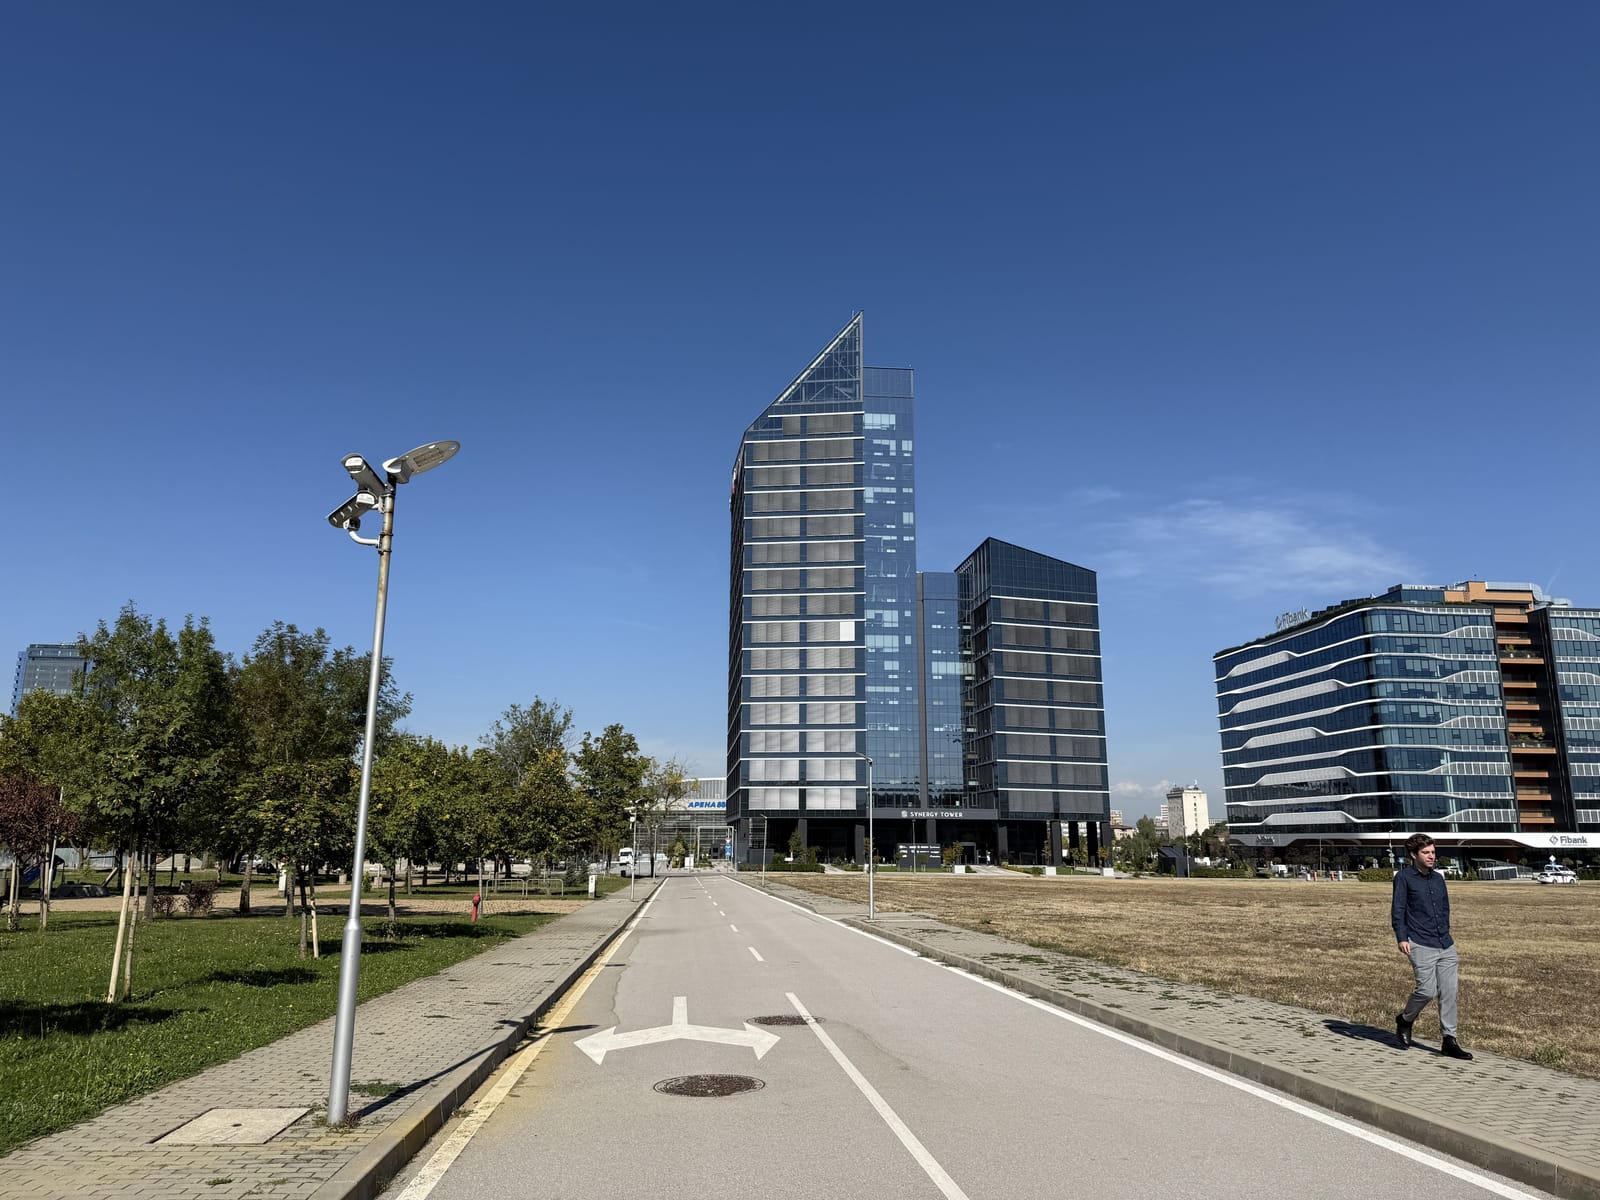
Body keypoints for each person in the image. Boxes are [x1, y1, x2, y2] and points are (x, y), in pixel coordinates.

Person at [1391, 833, 1472, 1060]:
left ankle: (1449, 1040)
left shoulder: (1438, 878)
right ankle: (1405, 1019)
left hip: (1445, 943)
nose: (1431, 856)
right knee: (1426, 990)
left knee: (1449, 992)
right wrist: (1402, 937)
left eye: (1433, 852)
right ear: (1413, 855)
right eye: (1426, 853)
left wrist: (1446, 930)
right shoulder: (1404, 878)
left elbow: (1445, 908)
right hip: (1419, 942)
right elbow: (1398, 910)